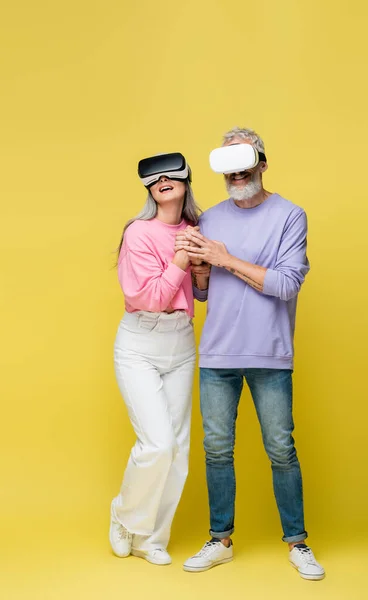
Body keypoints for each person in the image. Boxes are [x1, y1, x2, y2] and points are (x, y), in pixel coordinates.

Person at [175, 127, 325, 580]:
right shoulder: (211, 219)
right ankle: (220, 539)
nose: (237, 174)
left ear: (261, 162)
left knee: (281, 449)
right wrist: (201, 272)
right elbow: (203, 295)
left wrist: (224, 259)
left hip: (270, 352)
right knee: (216, 450)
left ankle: (297, 543)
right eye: (228, 167)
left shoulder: (289, 215)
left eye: (244, 164)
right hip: (218, 353)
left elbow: (285, 285)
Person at [110, 152, 204, 565]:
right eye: (154, 176)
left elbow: (200, 295)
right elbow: (149, 296)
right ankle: (124, 516)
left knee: (179, 449)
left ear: (185, 180)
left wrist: (201, 268)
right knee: (158, 444)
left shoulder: (198, 229)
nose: (163, 179)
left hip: (181, 343)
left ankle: (152, 539)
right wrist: (182, 259)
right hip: (140, 343)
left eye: (171, 173)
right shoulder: (139, 233)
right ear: (149, 188)